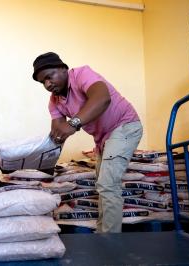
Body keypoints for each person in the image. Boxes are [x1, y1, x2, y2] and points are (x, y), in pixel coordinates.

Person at [32, 52, 143, 233]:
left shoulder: (81, 74)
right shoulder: (55, 101)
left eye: (49, 77)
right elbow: (58, 132)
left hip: (125, 126)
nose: (47, 84)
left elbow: (102, 98)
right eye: (42, 82)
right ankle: (102, 235)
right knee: (102, 185)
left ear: (63, 68)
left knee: (107, 184)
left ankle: (110, 241)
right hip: (103, 139)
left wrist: (73, 123)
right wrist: (42, 158)